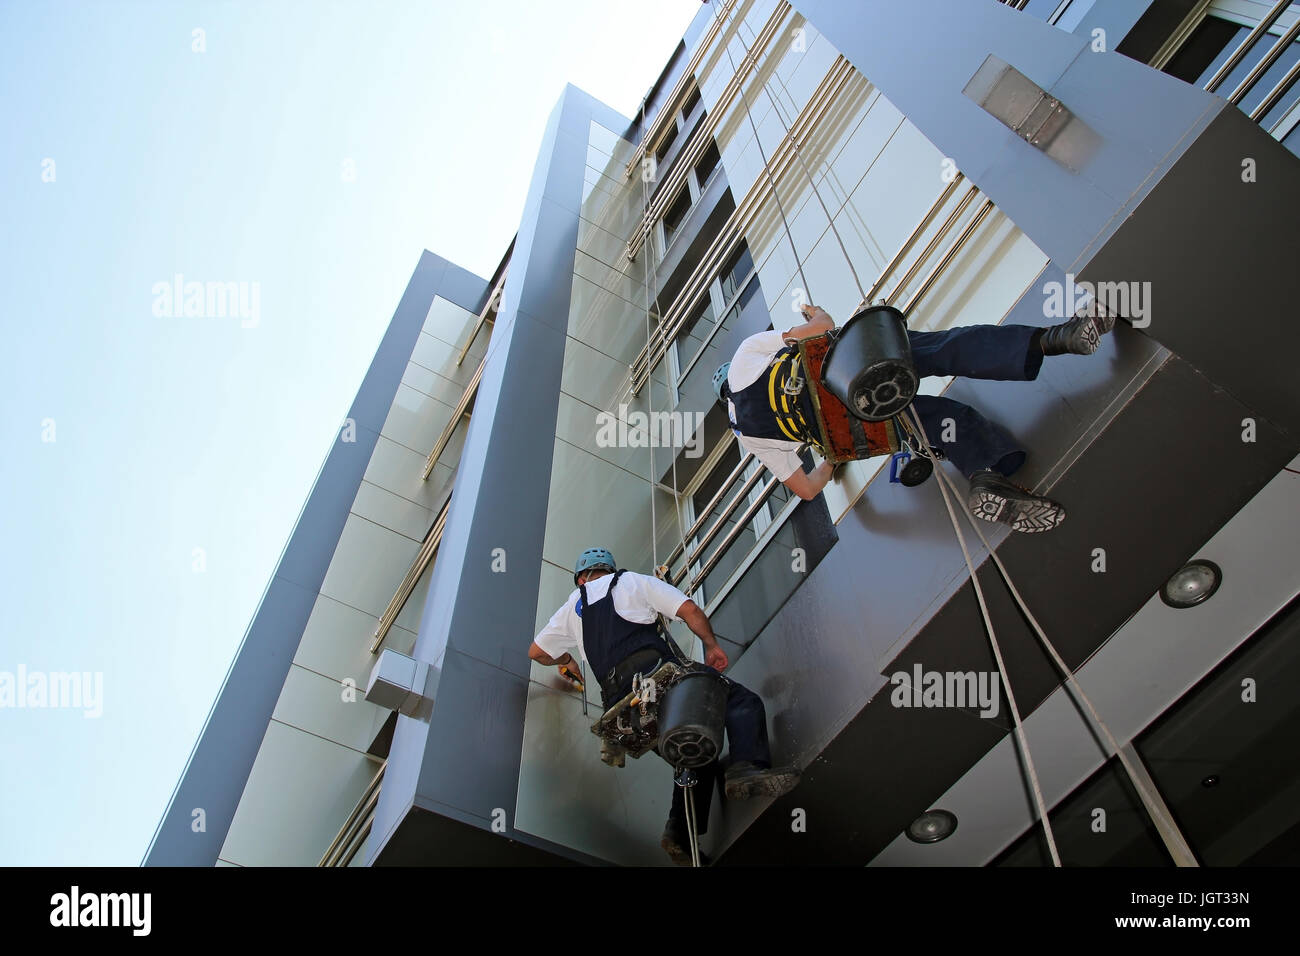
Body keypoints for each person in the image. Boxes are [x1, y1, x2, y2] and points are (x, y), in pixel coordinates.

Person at [713, 303, 1118, 532]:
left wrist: (832, 460)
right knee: (947, 348)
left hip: (862, 420)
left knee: (942, 420)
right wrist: (817, 316)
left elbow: (804, 489)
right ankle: (1056, 338)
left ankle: (987, 476)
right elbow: (822, 329)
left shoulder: (748, 436)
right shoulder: (745, 356)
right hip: (854, 369)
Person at [528, 547, 800, 864]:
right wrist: (711, 646)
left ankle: (679, 836)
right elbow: (690, 612)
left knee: (694, 752)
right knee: (739, 700)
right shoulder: (631, 582)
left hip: (624, 710)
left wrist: (567, 659)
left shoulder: (572, 608)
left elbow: (537, 652)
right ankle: (747, 769)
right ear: (610, 569)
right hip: (659, 682)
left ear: (581, 579)